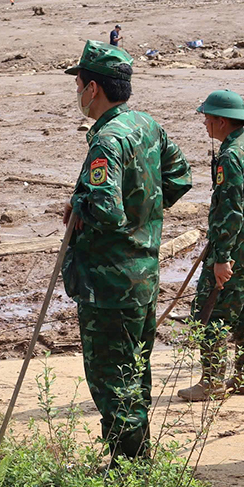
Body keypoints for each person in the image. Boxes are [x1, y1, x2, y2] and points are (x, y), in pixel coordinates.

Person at [62, 40, 192, 462]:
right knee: (135, 370)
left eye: (79, 84)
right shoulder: (146, 126)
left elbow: (104, 209)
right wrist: (146, 215)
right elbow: (179, 177)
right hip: (143, 273)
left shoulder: (107, 141)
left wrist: (78, 205)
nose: (77, 92)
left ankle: (127, 470)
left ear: (93, 88)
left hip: (110, 282)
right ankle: (138, 461)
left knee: (111, 378)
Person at [177, 90, 244, 401]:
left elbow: (230, 211)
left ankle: (212, 382)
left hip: (236, 251)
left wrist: (222, 257)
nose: (205, 124)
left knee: (212, 312)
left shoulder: (231, 156)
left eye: (207, 118)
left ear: (221, 120)